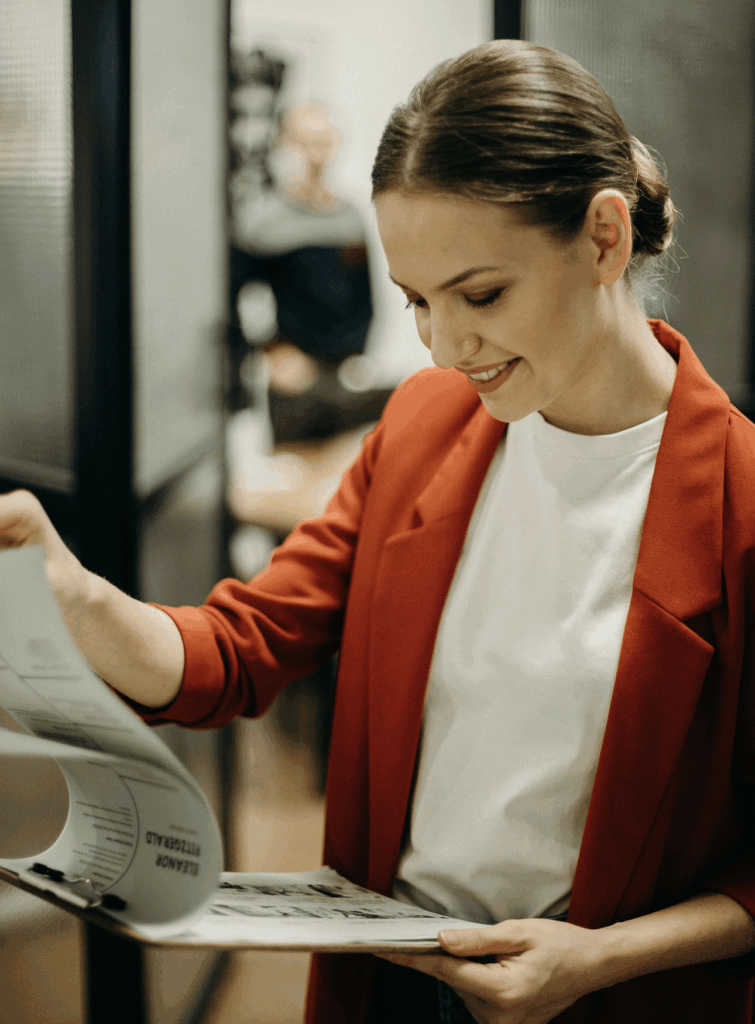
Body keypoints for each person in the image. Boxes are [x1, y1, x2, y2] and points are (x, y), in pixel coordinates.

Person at [1, 39, 755, 1024]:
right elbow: (238, 650)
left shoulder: (736, 500)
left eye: (480, 295)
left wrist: (594, 959)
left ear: (603, 238)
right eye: (416, 302)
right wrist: (74, 593)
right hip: (392, 981)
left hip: (606, 997)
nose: (443, 346)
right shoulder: (423, 425)